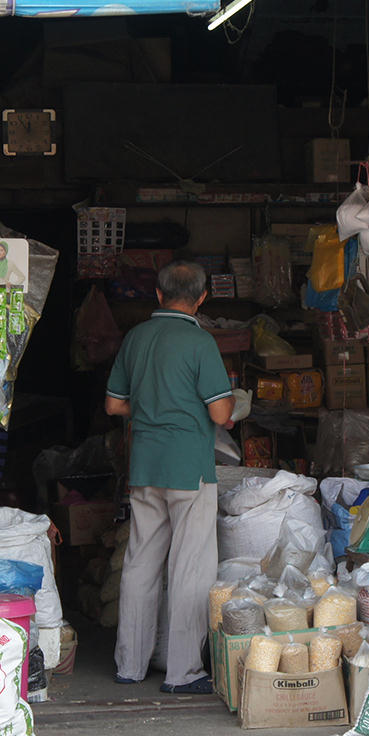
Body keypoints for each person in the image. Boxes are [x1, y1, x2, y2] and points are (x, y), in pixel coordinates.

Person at [104, 261, 235, 694]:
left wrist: (151, 407)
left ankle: (130, 665)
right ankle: (183, 672)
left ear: (158, 295)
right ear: (201, 299)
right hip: (188, 468)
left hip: (145, 464)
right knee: (190, 567)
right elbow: (221, 413)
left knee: (140, 562)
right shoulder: (200, 342)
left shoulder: (136, 338)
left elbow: (114, 405)